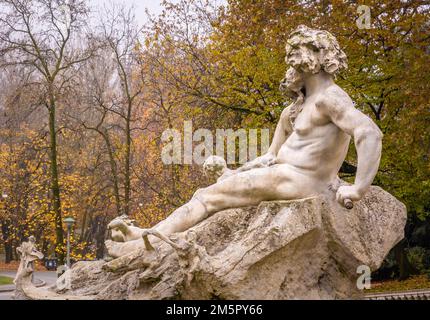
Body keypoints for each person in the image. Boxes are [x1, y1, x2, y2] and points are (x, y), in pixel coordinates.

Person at [106, 25, 383, 258]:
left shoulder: (330, 98)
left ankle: (143, 243)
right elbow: (271, 155)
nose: (290, 61)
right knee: (212, 191)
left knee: (207, 197)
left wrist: (358, 189)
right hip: (283, 176)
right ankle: (146, 237)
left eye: (295, 53)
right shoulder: (297, 108)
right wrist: (234, 173)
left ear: (312, 57)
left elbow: (369, 133)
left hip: (302, 181)